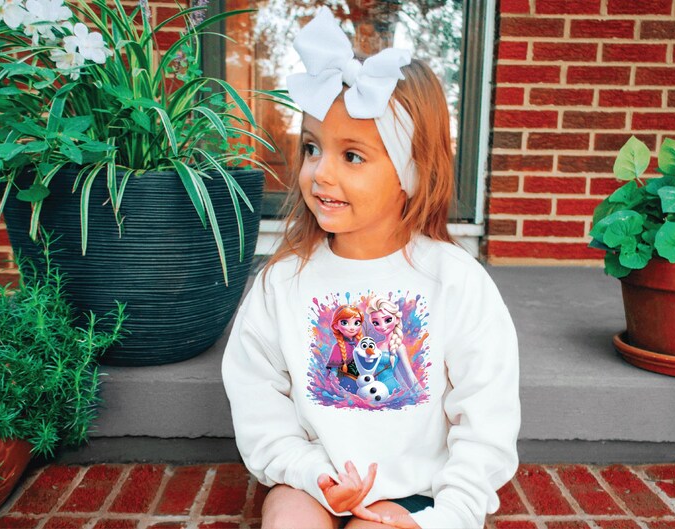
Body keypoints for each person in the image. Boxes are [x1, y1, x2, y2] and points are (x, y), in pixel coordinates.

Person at [221, 7, 520, 529]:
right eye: (312, 148)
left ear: (411, 172)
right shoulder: (283, 280)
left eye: (352, 156)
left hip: (421, 493)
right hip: (312, 483)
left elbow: (485, 416)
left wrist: (445, 516)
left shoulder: (455, 281)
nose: (320, 173)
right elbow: (257, 395)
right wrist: (313, 473)